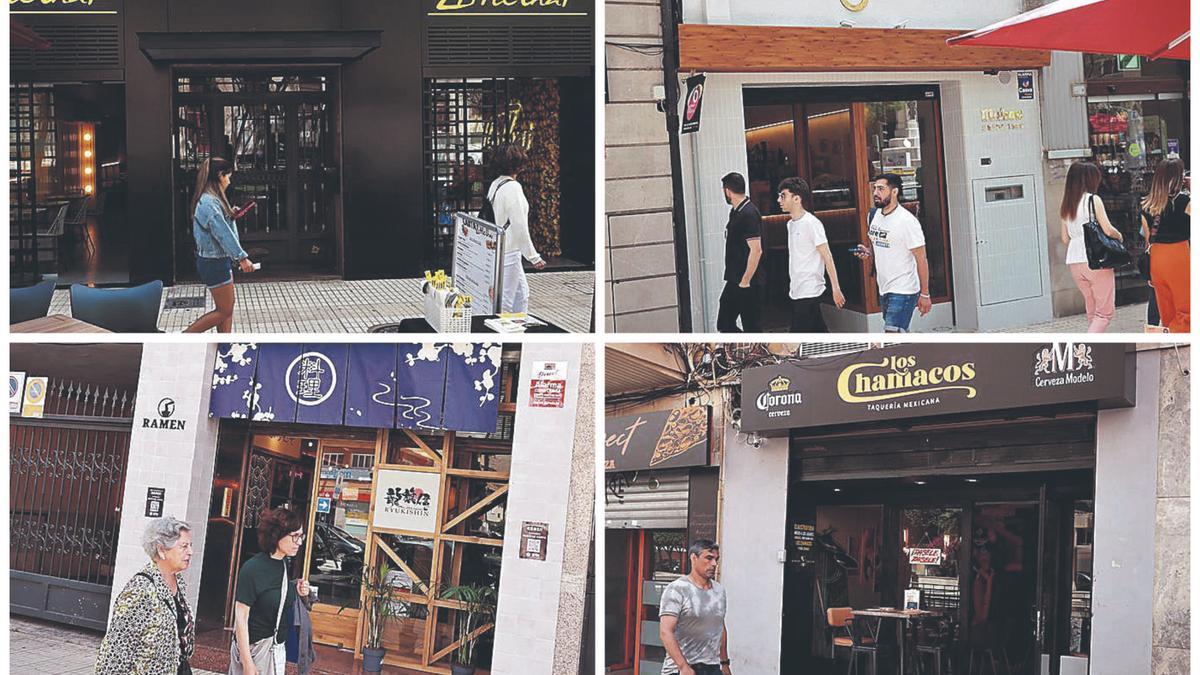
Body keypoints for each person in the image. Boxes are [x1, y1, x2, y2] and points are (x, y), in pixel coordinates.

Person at [95, 516, 195, 675]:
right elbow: (116, 651)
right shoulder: (140, 589)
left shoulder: (178, 581)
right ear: (161, 550)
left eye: (190, 545)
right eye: (184, 546)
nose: (190, 552)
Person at [231, 507, 312, 675]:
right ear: (277, 535)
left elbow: (275, 593)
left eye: (301, 536)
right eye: (294, 536)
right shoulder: (252, 569)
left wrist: (296, 589)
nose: (299, 542)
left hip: (276, 650)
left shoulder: (283, 564)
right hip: (256, 650)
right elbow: (240, 618)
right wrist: (247, 662)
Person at [184, 157, 256, 333]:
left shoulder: (211, 200)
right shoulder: (209, 203)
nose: (229, 181)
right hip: (214, 262)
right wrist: (242, 258)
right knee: (224, 310)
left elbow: (221, 228)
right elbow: (223, 235)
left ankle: (224, 346)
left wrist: (231, 215)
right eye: (228, 176)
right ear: (219, 175)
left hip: (216, 260)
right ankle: (182, 339)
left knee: (227, 309)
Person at [852, 173, 931, 332]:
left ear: (894, 192)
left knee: (892, 334)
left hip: (904, 289)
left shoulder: (907, 222)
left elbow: (921, 258)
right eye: (874, 189)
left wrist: (925, 294)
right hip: (884, 287)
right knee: (898, 333)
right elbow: (881, 247)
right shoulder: (873, 215)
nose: (875, 193)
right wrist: (868, 252)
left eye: (881, 189)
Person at [1060, 161, 1123, 333]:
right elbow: (1108, 230)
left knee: (1093, 309)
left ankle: (1095, 351)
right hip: (1095, 259)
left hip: (1074, 261)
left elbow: (1065, 238)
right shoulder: (1093, 200)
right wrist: (1120, 236)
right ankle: (1087, 347)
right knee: (1104, 313)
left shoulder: (1067, 204)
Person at [777, 176, 845, 332]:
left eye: (783, 196)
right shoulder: (790, 225)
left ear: (796, 199)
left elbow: (827, 256)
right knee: (818, 331)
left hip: (810, 288)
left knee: (798, 336)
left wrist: (836, 288)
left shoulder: (812, 223)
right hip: (796, 288)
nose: (779, 200)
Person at [486, 143, 546, 314]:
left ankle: (519, 323)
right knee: (505, 300)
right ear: (519, 164)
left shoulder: (496, 184)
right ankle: (505, 332)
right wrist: (533, 257)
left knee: (521, 294)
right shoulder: (513, 188)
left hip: (502, 248)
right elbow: (520, 226)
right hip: (509, 250)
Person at [659, 540, 731, 675]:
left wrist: (724, 663)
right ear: (693, 558)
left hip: (712, 666)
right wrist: (683, 667)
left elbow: (720, 627)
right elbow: (665, 631)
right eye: (709, 558)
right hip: (680, 668)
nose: (714, 564)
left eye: (716, 559)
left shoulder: (719, 591)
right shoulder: (677, 589)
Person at [1140, 158, 1190, 333]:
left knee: (1167, 312)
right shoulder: (1185, 201)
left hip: (1157, 259)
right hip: (1180, 255)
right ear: (1179, 177)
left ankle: (1170, 341)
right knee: (1187, 311)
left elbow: (1148, 240)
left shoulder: (1146, 205)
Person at [717, 172, 763, 332]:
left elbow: (756, 250)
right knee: (724, 323)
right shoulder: (736, 212)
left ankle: (753, 352)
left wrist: (745, 280)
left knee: (752, 327)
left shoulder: (749, 213)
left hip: (746, 281)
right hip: (734, 279)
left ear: (728, 191)